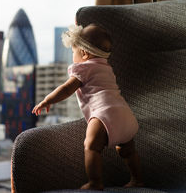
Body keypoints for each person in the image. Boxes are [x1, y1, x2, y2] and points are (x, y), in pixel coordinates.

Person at [32, 23, 143, 190]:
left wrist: (47, 100)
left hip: (104, 114)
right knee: (128, 151)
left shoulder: (83, 68)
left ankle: (95, 182)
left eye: (73, 52)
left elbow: (66, 88)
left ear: (83, 53)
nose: (73, 56)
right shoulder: (107, 68)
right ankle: (137, 179)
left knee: (91, 146)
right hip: (125, 114)